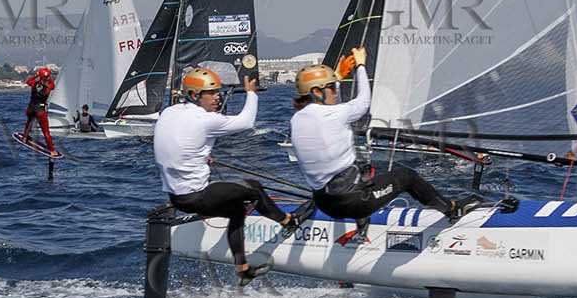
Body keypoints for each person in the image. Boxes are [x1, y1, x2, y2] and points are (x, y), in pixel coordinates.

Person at [290, 48, 477, 236]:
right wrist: (361, 66)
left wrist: (337, 76)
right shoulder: (336, 114)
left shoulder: (297, 119)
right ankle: (453, 210)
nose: (335, 92)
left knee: (358, 171)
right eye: (331, 87)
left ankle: (359, 223)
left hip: (324, 204)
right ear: (316, 92)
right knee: (407, 176)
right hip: (352, 204)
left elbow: (323, 109)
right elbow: (363, 101)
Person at [154, 67, 298, 285]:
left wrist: (200, 154)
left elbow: (178, 139)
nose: (217, 97)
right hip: (197, 196)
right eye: (210, 93)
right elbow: (246, 122)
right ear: (194, 96)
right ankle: (288, 221)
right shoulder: (205, 120)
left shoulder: (170, 112)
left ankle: (243, 269)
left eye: (217, 92)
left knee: (237, 210)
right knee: (254, 187)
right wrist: (251, 93)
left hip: (176, 197)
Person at [21, 67, 57, 153]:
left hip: (30, 108)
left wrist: (36, 75)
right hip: (40, 111)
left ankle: (24, 138)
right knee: (46, 132)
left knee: (28, 124)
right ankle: (52, 150)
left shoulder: (34, 83)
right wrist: (49, 78)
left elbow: (28, 81)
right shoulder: (49, 86)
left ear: (39, 76)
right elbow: (53, 86)